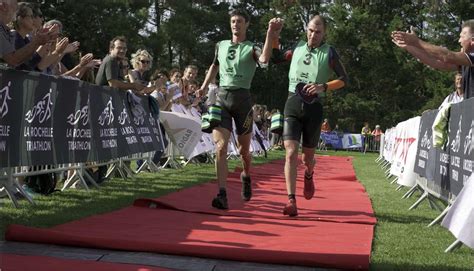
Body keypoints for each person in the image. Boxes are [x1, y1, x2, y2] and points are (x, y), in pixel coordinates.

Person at [260, 15, 348, 216]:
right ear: (306, 30)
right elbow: (275, 57)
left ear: (324, 33)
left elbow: (344, 79)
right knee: (290, 153)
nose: (313, 35)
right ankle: (291, 200)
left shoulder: (329, 52)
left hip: (314, 109)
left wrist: (323, 86)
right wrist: (274, 34)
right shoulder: (297, 47)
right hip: (292, 104)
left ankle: (309, 173)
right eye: (310, 30)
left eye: (317, 32)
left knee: (308, 159)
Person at [197, 9, 272, 210]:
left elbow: (264, 61)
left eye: (239, 21)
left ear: (246, 24)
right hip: (222, 98)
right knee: (220, 147)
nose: (235, 24)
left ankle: (246, 174)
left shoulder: (251, 48)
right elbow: (214, 66)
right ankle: (222, 194)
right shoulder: (220, 45)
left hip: (243, 101)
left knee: (243, 151)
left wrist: (270, 34)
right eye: (232, 21)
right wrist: (204, 86)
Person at [391, 20, 474, 99]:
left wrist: (416, 42)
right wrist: (409, 46)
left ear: (473, 40)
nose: (459, 41)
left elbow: (447, 56)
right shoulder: (465, 61)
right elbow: (436, 63)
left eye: (462, 37)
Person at [0, 0, 54, 67]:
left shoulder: (7, 32)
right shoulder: (13, 36)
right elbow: (14, 60)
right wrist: (37, 42)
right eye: (31, 16)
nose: (33, 20)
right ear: (3, 6)